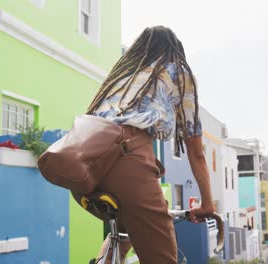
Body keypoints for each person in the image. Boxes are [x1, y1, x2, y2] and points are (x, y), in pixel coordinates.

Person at [85, 25, 214, 264]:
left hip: (84, 166)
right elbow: (196, 153)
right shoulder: (178, 73)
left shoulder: (123, 74)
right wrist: (207, 203)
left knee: (125, 231)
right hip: (127, 163)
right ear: (175, 52)